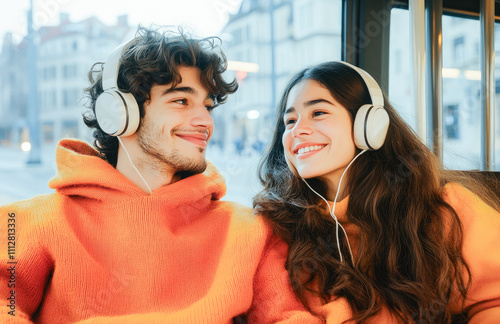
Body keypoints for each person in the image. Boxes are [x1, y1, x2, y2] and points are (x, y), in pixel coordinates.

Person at [0, 27, 320, 323]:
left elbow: (289, 317)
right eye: (181, 100)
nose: (204, 121)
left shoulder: (250, 229)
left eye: (207, 106)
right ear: (119, 114)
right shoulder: (28, 222)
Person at [254, 61, 500, 323]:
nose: (297, 130)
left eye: (318, 113)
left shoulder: (443, 208)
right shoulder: (280, 226)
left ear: (370, 124)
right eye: (289, 121)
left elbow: (494, 301)